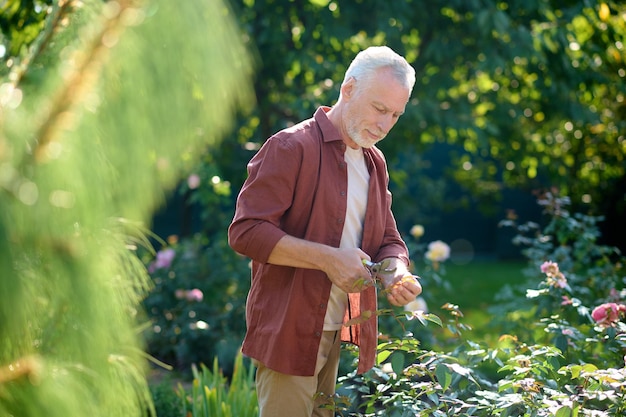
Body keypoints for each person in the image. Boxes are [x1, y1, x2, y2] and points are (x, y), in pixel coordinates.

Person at [228, 45, 422, 417]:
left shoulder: (373, 160)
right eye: (379, 109)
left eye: (395, 115)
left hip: (338, 328)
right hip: (289, 330)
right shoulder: (290, 146)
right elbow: (246, 231)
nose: (385, 125)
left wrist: (397, 272)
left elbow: (388, 240)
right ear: (348, 90)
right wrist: (329, 260)